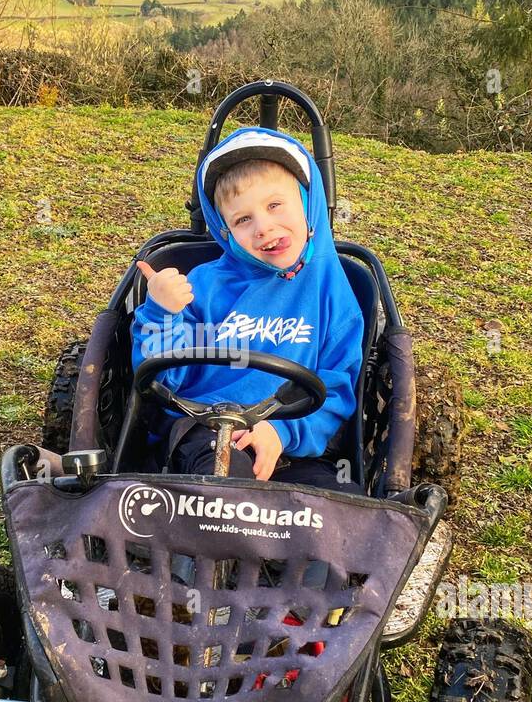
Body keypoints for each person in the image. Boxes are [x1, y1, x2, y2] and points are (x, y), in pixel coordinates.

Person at [131, 125, 365, 493]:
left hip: (294, 444)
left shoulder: (333, 293)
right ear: (224, 232)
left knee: (342, 506)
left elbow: (337, 389)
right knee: (223, 482)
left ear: (308, 204)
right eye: (243, 219)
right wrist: (162, 313)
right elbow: (161, 380)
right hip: (206, 429)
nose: (264, 227)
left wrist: (281, 432)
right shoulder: (202, 286)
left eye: (275, 205)